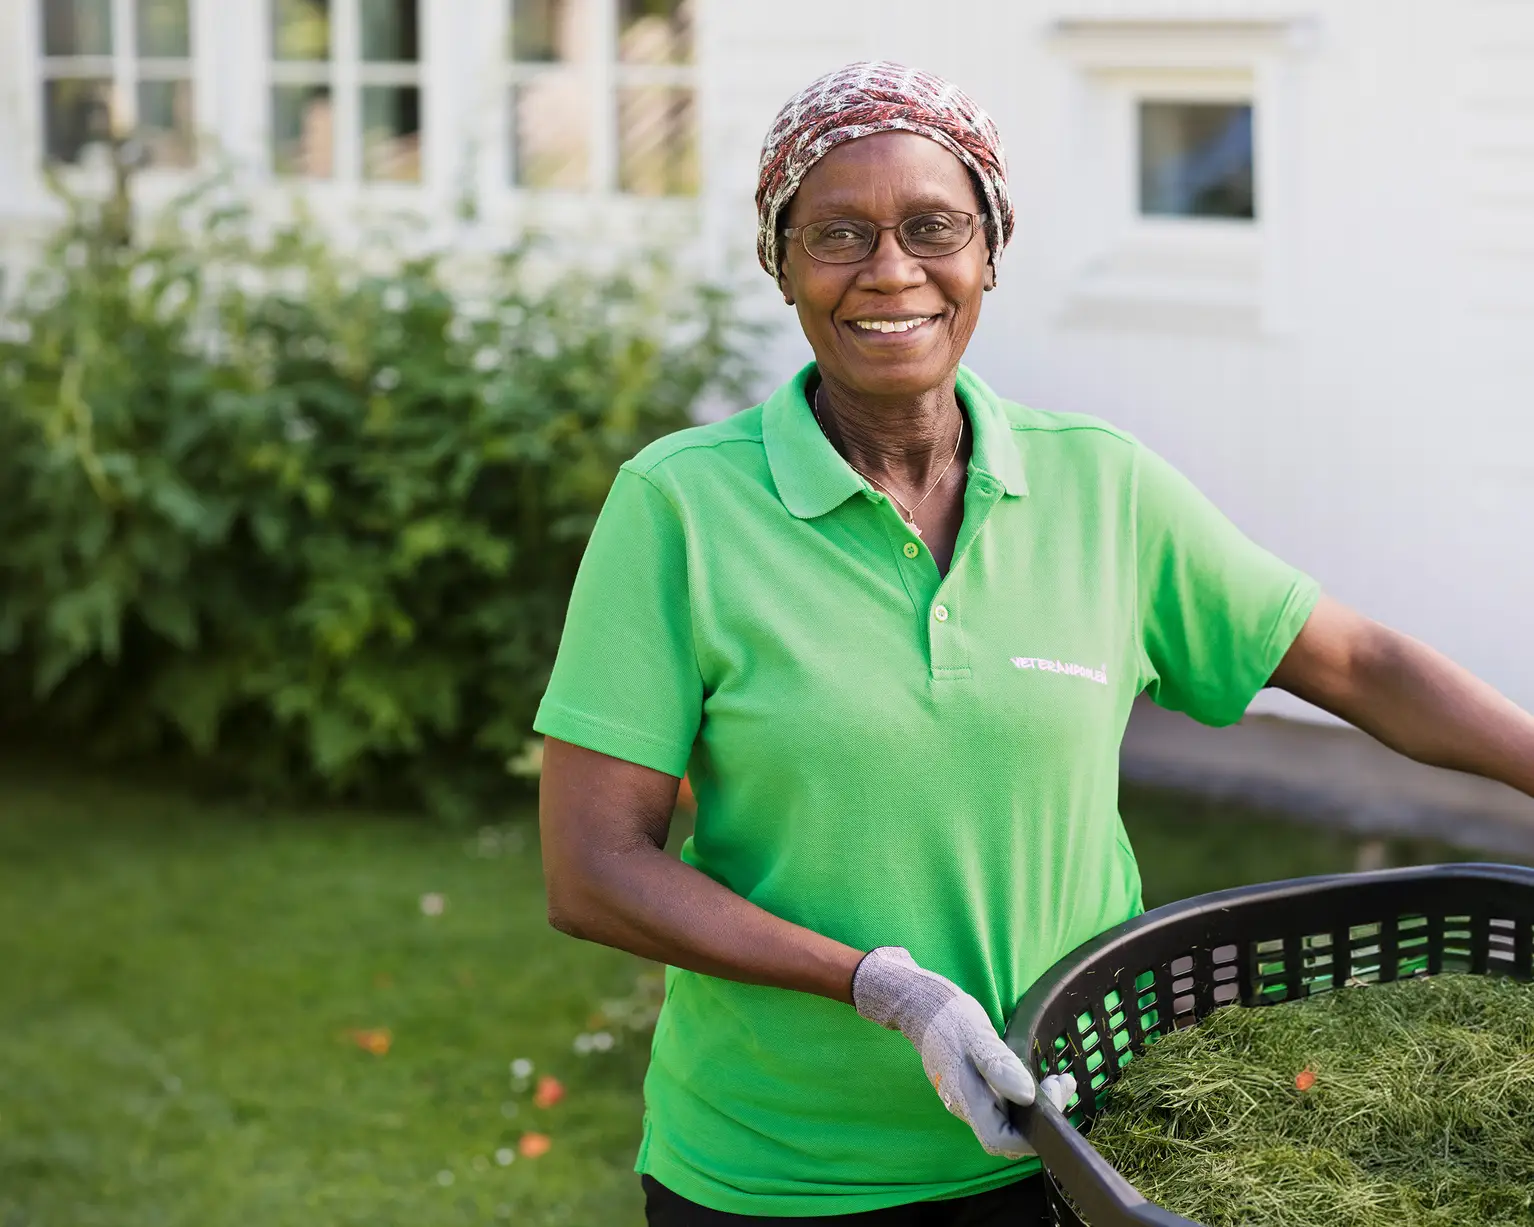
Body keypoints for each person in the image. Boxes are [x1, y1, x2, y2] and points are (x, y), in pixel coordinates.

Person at [534, 61, 1534, 1225]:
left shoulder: (1097, 486)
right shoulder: (681, 509)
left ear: (990, 251)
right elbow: (593, 870)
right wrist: (879, 989)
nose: (890, 271)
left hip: (1077, 1147)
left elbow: (1356, 663)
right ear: (782, 264)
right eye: (838, 235)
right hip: (784, 1175)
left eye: (933, 228)